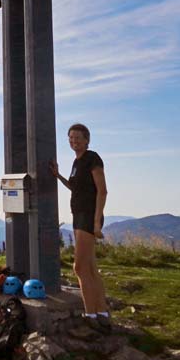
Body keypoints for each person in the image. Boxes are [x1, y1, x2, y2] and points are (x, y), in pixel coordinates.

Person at [49, 123, 110, 332]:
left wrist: (96, 222)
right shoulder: (77, 162)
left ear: (87, 139)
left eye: (78, 137)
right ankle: (102, 313)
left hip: (87, 218)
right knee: (90, 268)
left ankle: (90, 314)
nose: (73, 141)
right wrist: (58, 176)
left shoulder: (92, 158)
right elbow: (76, 188)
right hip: (78, 216)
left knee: (79, 268)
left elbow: (102, 191)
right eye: (71, 138)